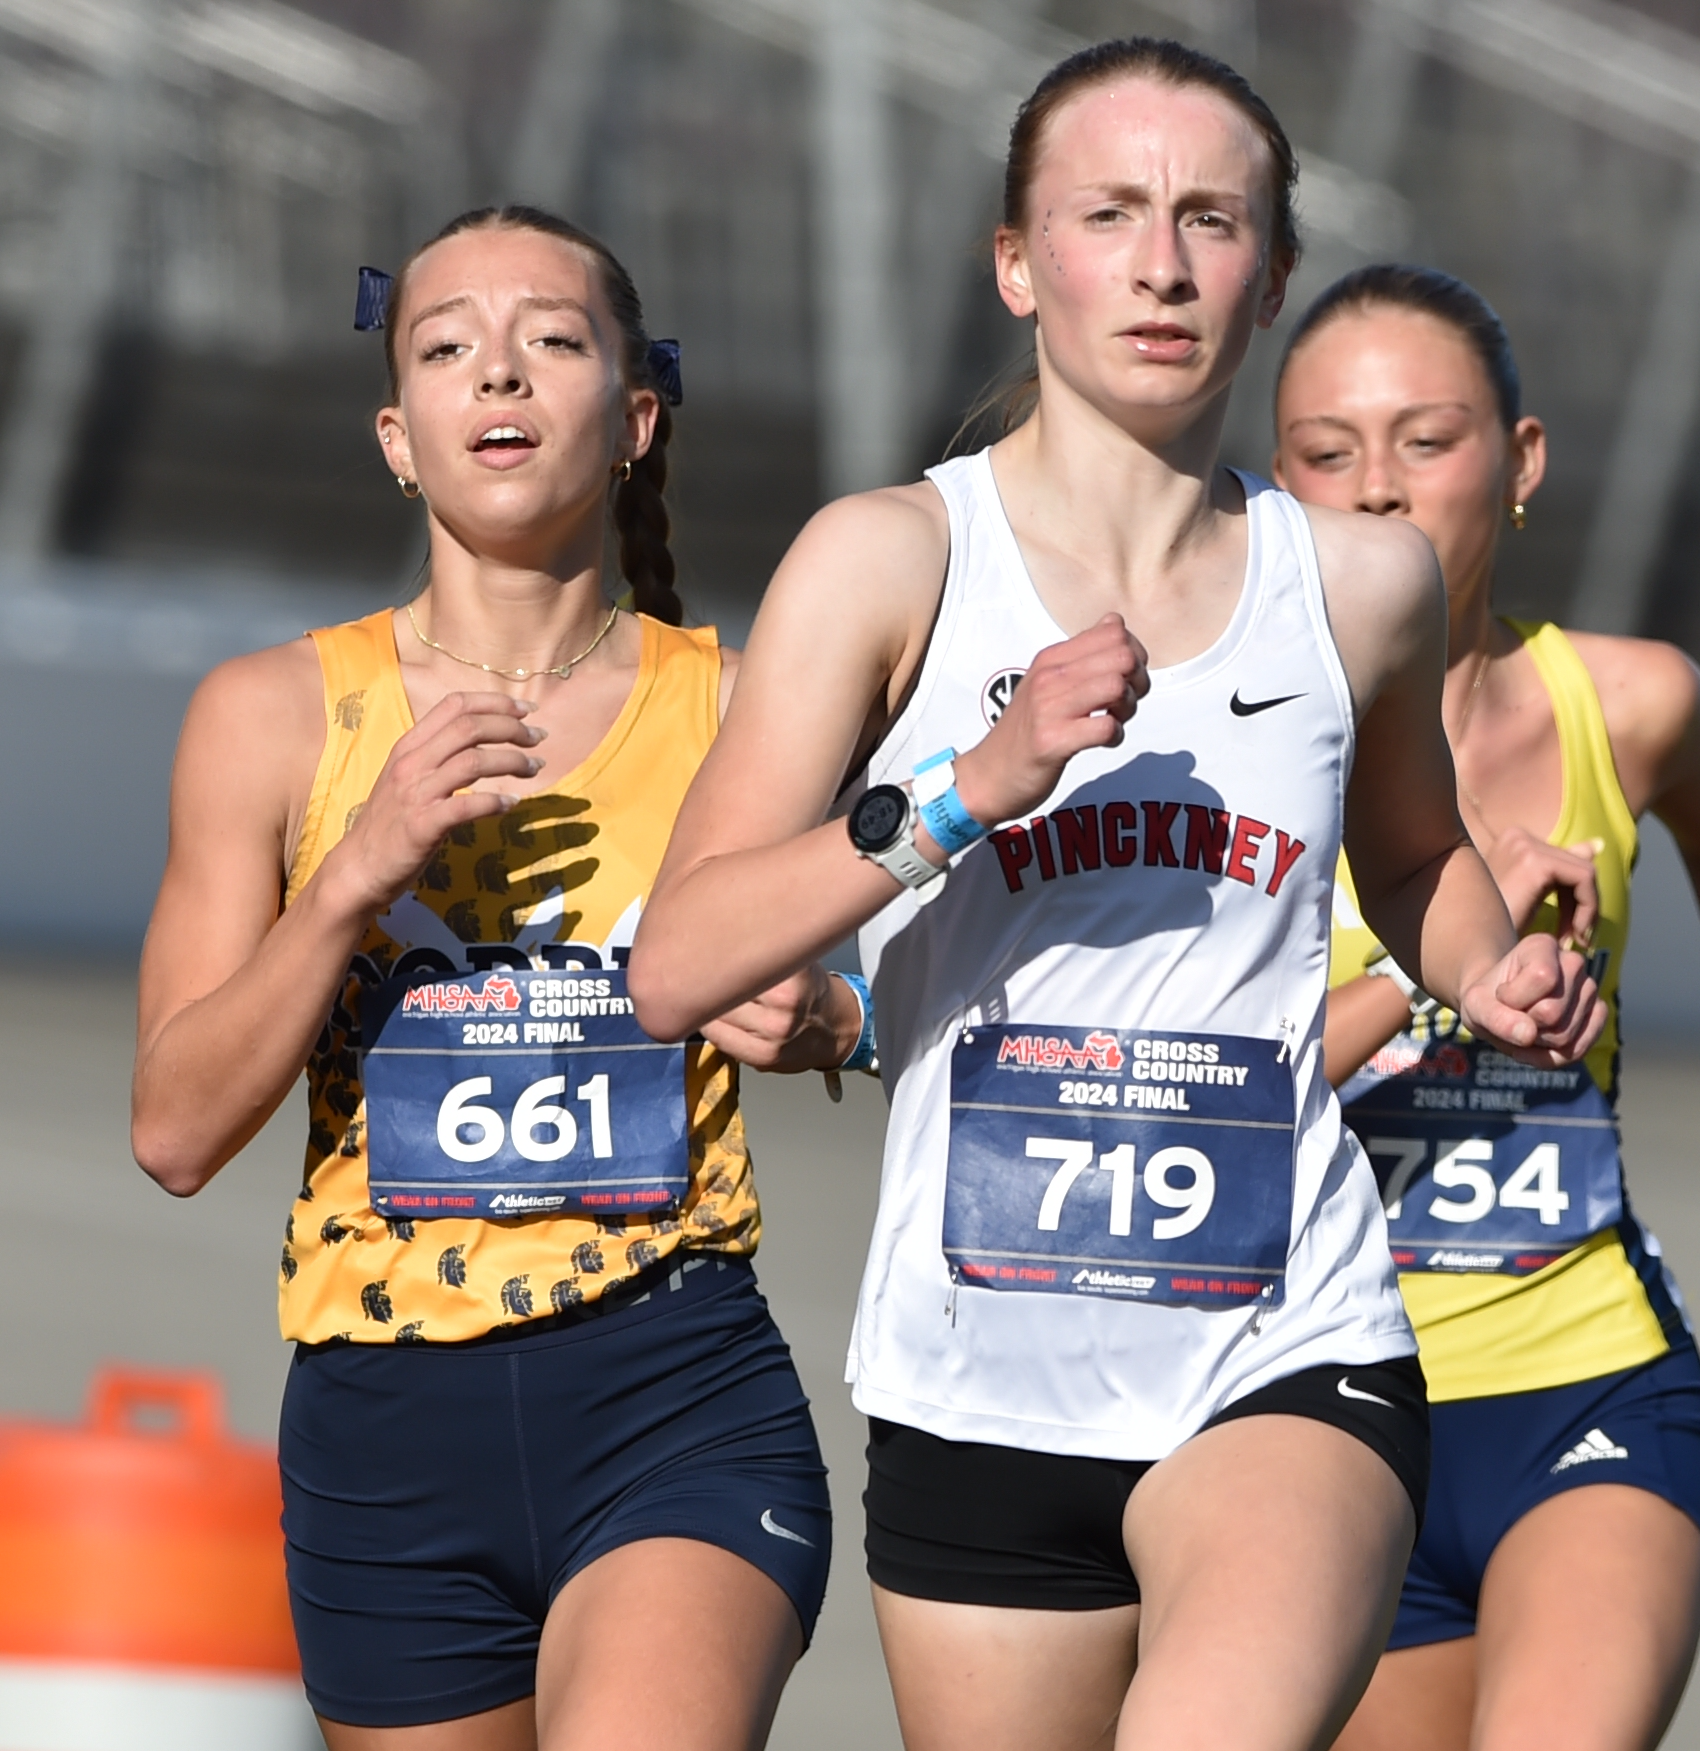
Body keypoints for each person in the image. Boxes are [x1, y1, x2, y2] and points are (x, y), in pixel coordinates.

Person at [624, 40, 1601, 1751]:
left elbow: (1417, 857)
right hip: (973, 1376)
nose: (1159, 261)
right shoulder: (889, 562)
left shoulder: (1356, 584)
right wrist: (960, 795)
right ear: (1019, 264)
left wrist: (1486, 967)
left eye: (1209, 218)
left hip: (1282, 1338)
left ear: (1268, 273)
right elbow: (673, 965)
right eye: (1107, 213)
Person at [129, 207, 850, 1748]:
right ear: (400, 437)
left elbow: (941, 980)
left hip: (673, 1384)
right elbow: (176, 1130)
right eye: (448, 346)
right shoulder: (268, 718)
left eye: (552, 338)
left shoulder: (746, 703)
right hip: (383, 1432)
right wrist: (351, 877)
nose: (498, 371)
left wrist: (833, 1016)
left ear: (635, 420)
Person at [1265, 265, 1700, 1751]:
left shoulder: (1628, 702)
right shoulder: (1218, 748)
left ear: (1519, 463)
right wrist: (1441, 960)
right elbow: (1209, 1094)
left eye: (1426, 440)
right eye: (1325, 450)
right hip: (1313, 1409)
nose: (1378, 489)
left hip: (1583, 1375)